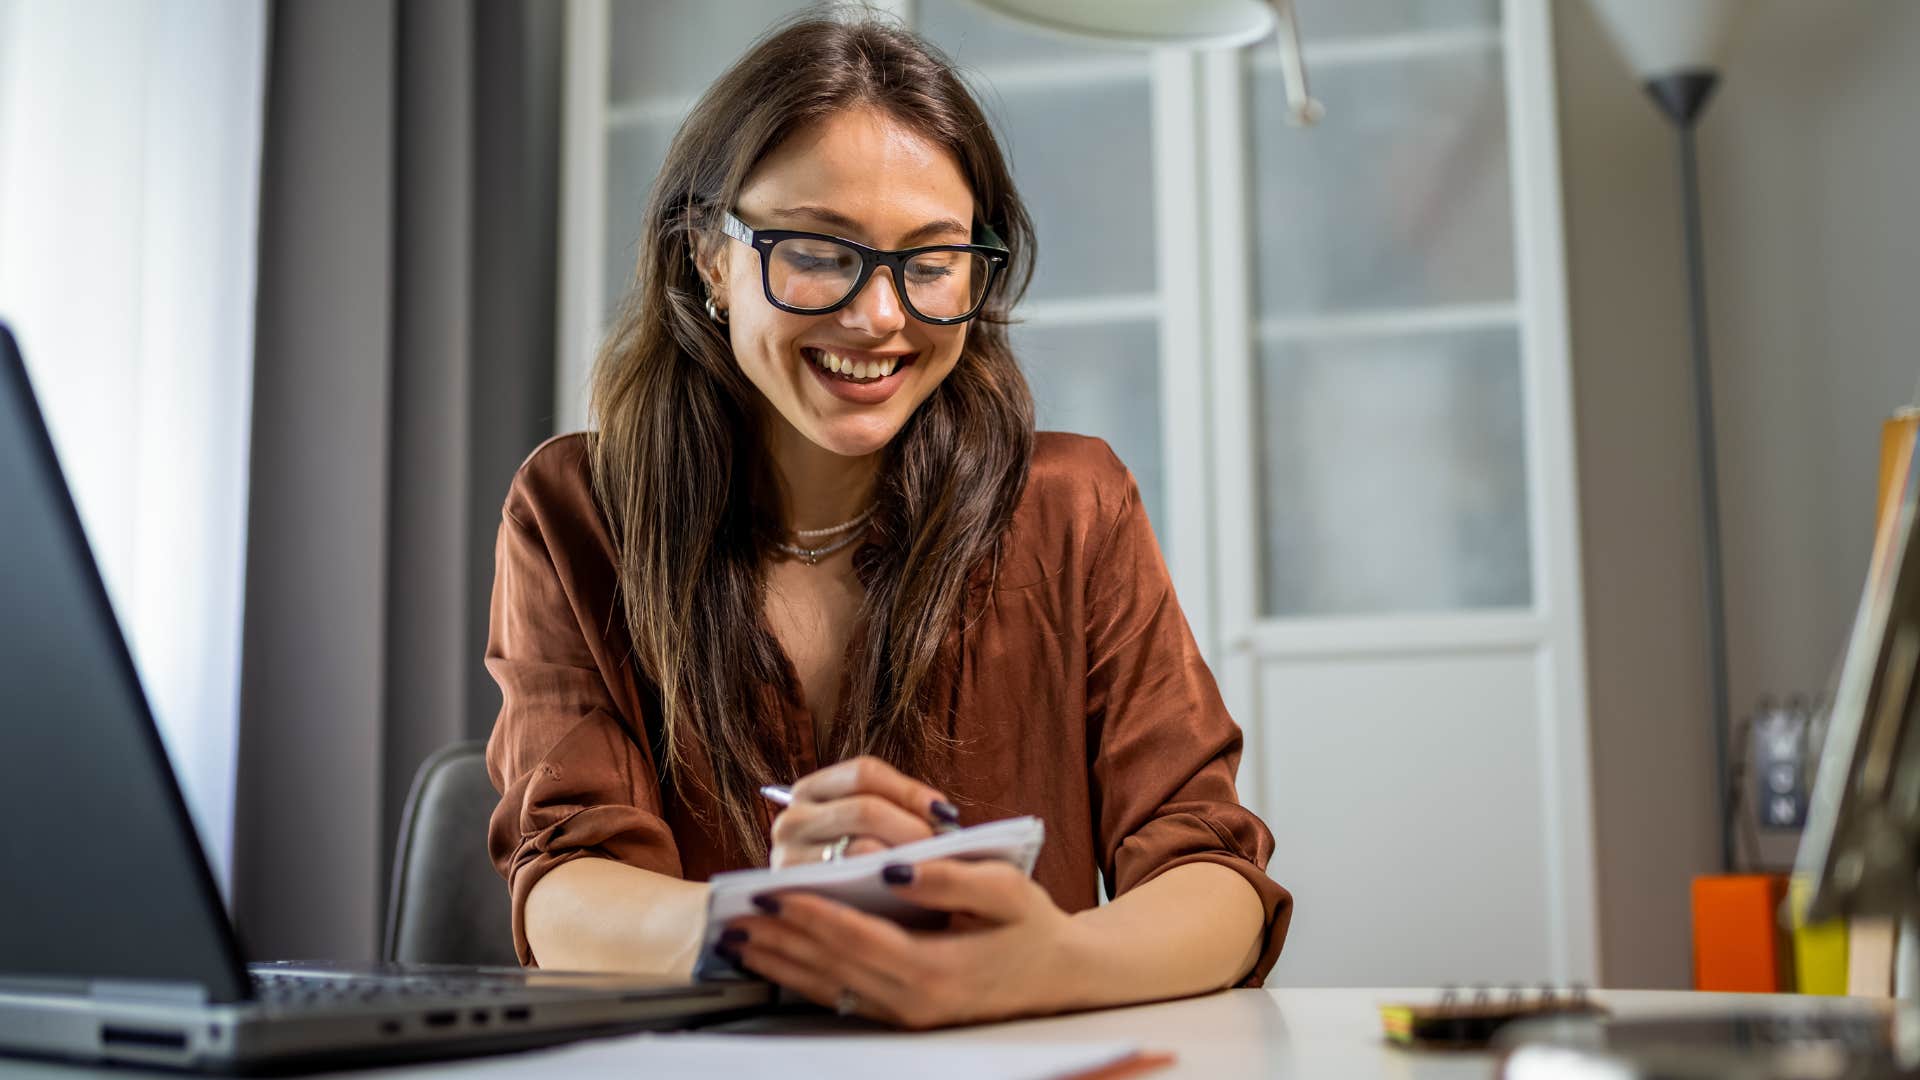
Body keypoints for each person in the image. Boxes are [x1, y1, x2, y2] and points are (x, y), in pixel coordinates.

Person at [485, 16, 1291, 1029]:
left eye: (933, 259)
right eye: (821, 252)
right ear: (709, 258)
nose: (880, 317)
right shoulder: (576, 512)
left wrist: (1045, 962)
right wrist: (775, 923)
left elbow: (1213, 875)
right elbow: (563, 887)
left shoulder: (1074, 507)